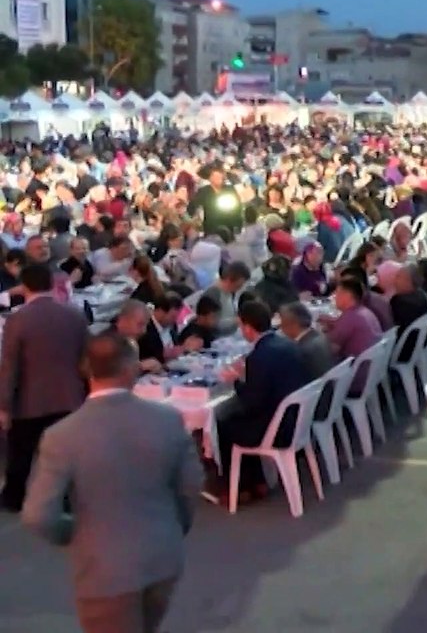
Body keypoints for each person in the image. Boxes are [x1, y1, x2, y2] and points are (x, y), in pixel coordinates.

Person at [21, 331, 203, 633]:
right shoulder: (168, 419)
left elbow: (39, 515)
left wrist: (76, 533)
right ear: (131, 369)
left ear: (86, 370)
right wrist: (173, 526)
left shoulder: (62, 436)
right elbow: (191, 485)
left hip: (103, 571)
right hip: (163, 556)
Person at [0, 263, 90, 512]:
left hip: (29, 400)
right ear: (51, 283)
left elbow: (10, 366)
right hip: (69, 396)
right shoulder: (74, 314)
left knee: (21, 455)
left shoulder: (17, 320)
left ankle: (14, 498)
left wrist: (4, 405)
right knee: (67, 453)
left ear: (24, 286)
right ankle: (67, 500)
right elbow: (85, 360)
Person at [211, 300, 309, 502]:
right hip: (296, 419)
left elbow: (252, 401)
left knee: (223, 422)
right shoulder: (286, 344)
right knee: (239, 417)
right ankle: (257, 481)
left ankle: (240, 487)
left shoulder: (260, 355)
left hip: (277, 427)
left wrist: (237, 380)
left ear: (247, 328)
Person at [279, 302, 334, 382]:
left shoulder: (300, 351)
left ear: (293, 324)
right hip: (329, 388)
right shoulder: (322, 336)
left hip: (315, 392)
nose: (281, 328)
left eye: (283, 324)